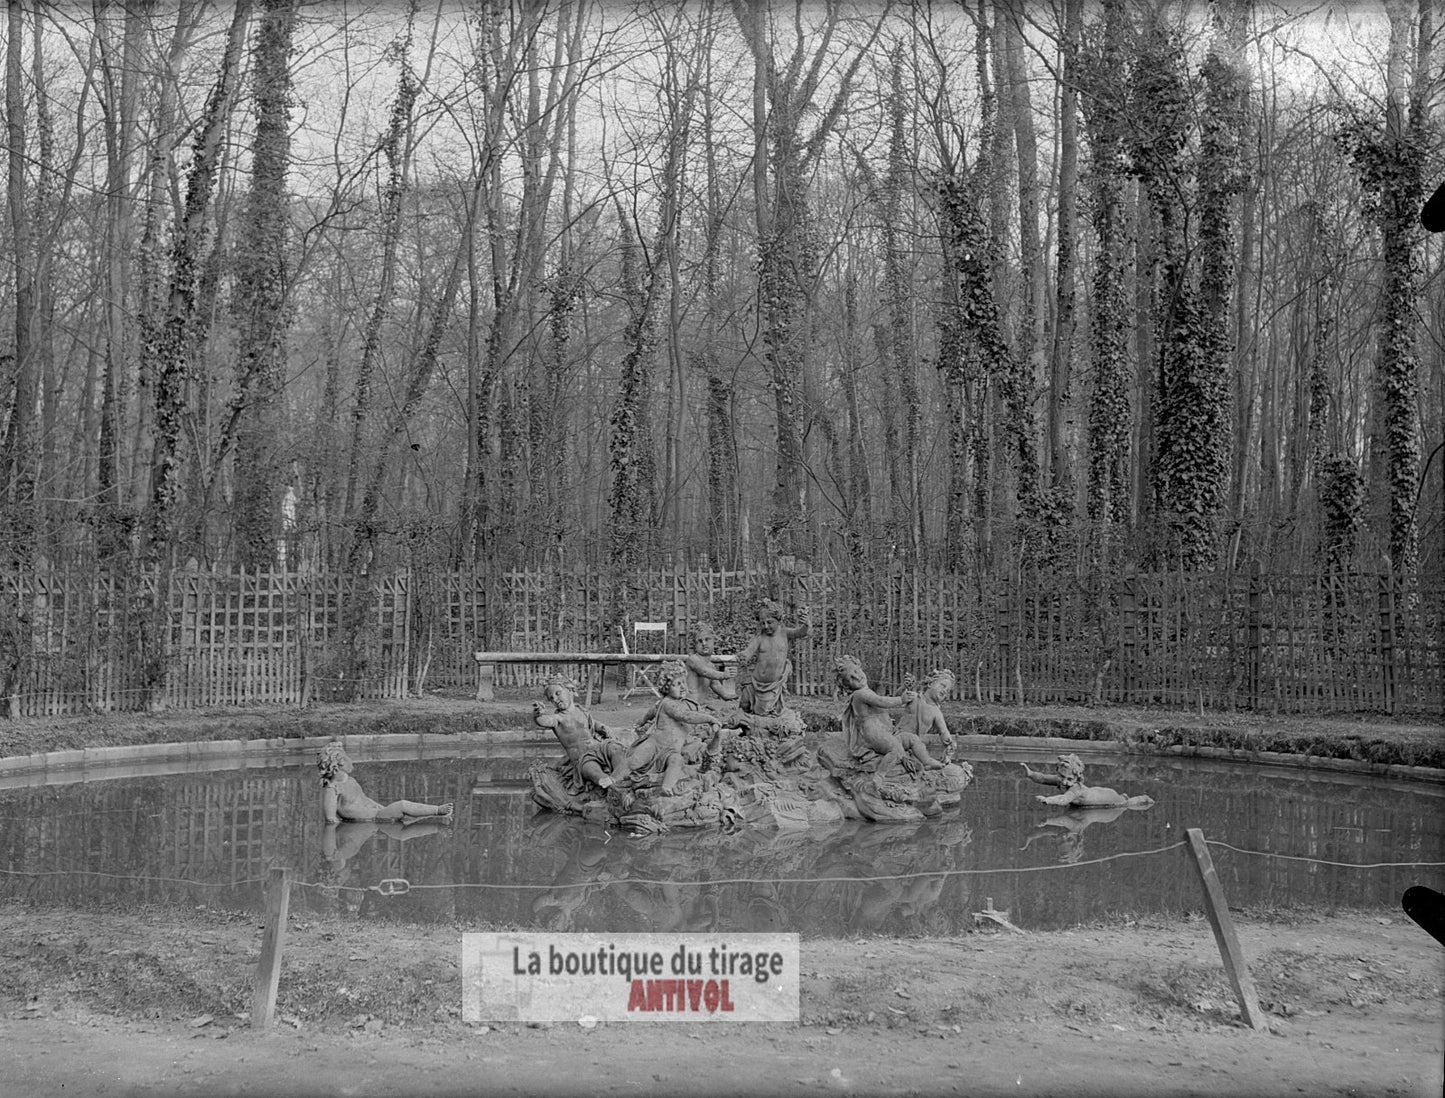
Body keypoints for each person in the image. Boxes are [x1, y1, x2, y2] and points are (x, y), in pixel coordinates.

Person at [834, 654, 948, 780]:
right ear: (847, 685)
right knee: (896, 749)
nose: (857, 676)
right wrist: (901, 699)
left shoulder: (866, 691)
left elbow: (886, 699)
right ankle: (879, 776)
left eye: (856, 671)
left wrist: (904, 687)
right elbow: (881, 701)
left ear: (861, 668)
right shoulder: (860, 695)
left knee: (912, 739)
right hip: (872, 733)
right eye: (851, 678)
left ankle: (926, 761)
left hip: (885, 731)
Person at [627, 661, 722, 795]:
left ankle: (667, 787)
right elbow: (686, 716)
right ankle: (613, 778)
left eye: (683, 682)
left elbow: (651, 713)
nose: (682, 687)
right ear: (666, 687)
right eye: (676, 684)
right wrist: (709, 719)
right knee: (635, 762)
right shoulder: (669, 704)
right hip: (656, 744)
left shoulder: (677, 703)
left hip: (671, 750)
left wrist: (641, 722)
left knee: (677, 761)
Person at [532, 673, 631, 790]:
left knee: (616, 749)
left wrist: (602, 727)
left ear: (569, 690)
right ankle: (609, 784)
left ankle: (618, 776)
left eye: (558, 694)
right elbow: (544, 721)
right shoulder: (558, 718)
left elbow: (592, 723)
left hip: (598, 747)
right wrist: (538, 715)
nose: (555, 699)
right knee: (590, 769)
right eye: (551, 698)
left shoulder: (580, 710)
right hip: (583, 757)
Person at [317, 741, 453, 824]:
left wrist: (382, 808)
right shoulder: (333, 788)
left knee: (405, 814)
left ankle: (430, 814)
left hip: (377, 814)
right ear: (339, 763)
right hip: (373, 819)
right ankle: (437, 810)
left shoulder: (350, 780)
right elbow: (330, 819)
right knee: (403, 805)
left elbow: (365, 799)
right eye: (348, 758)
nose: (352, 761)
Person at [736, 597, 808, 717]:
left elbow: (800, 632)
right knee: (744, 704)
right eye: (762, 623)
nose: (765, 626)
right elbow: (749, 651)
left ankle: (759, 729)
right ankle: (744, 729)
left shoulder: (784, 633)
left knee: (762, 712)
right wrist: (743, 656)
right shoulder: (760, 637)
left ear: (779, 620)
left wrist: (806, 624)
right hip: (754, 681)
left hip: (771, 685)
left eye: (769, 622)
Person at [1020, 753, 1154, 809]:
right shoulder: (1061, 780)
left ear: (1077, 779)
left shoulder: (1076, 789)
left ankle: (1144, 798)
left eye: (1069, 779)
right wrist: (1030, 773)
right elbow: (1043, 778)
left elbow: (1064, 799)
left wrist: (1047, 800)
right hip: (1097, 791)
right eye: (1062, 777)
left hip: (1108, 798)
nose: (1065, 782)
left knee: (1124, 804)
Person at [894, 668, 957, 764]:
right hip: (898, 739)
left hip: (914, 747)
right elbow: (896, 698)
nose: (944, 691)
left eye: (947, 691)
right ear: (930, 684)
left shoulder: (936, 713)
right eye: (942, 686)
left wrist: (949, 745)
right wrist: (903, 687)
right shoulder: (915, 697)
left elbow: (944, 732)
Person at [682, 622, 738, 704]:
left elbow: (715, 685)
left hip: (700, 705)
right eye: (700, 641)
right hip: (689, 704)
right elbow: (705, 672)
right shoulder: (693, 660)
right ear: (695, 645)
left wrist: (726, 695)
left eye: (707, 639)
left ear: (713, 641)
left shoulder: (711, 665)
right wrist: (723, 675)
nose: (704, 643)